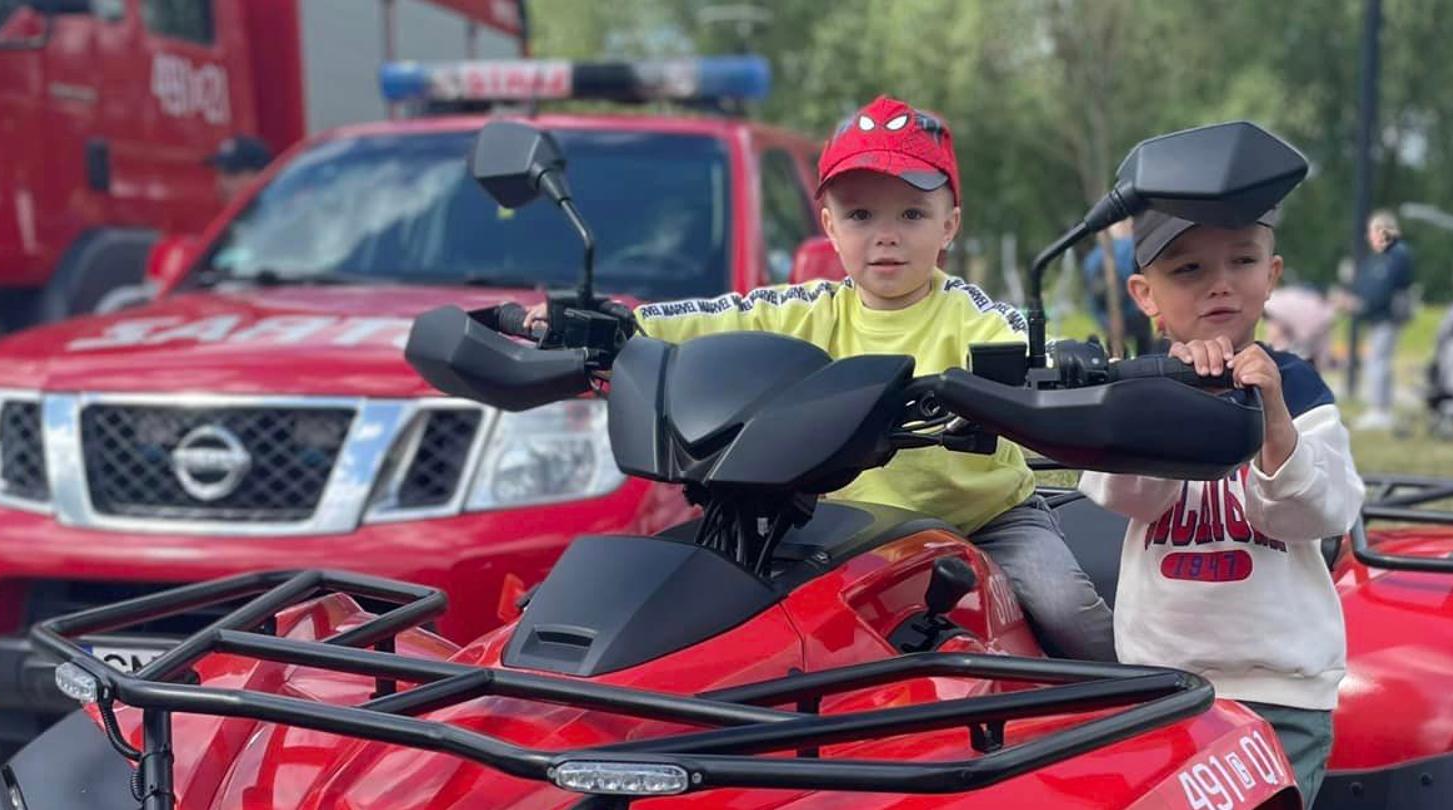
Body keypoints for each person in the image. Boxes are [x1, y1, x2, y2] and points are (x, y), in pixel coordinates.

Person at [522, 96, 1115, 662]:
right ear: (829, 225)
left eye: (912, 214)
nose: (886, 234)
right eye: (861, 215)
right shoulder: (812, 309)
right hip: (845, 530)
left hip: (986, 520)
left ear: (949, 225)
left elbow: (1024, 343)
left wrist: (1067, 367)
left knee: (1061, 602)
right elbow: (719, 316)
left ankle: (1141, 702)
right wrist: (612, 326)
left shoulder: (970, 314)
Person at [1078, 205, 1366, 806]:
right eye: (1189, 269)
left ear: (1272, 274)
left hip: (1280, 691)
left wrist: (1274, 419)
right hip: (1159, 684)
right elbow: (1123, 495)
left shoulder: (1299, 389)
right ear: (1145, 295)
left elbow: (1319, 513)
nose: (1221, 283)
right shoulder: (1135, 388)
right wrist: (1169, 401)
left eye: (1242, 260)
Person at [1343, 210, 1415, 430]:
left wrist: (1362, 304)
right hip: (1377, 318)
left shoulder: (1396, 256)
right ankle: (1380, 406)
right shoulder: (1380, 258)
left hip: (1387, 317)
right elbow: (1366, 284)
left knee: (1378, 362)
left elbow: (1382, 288)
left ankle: (1380, 410)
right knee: (1376, 361)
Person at [1080, 219, 1153, 354]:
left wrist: (1103, 320)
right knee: (1144, 350)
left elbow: (1090, 295)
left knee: (1115, 355)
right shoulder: (1133, 246)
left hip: (1108, 318)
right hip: (1137, 313)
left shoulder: (1091, 258)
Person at [209, 134, 275, 203]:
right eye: (218, 173)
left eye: (232, 173)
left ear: (260, 175)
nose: (221, 183)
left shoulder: (277, 208)